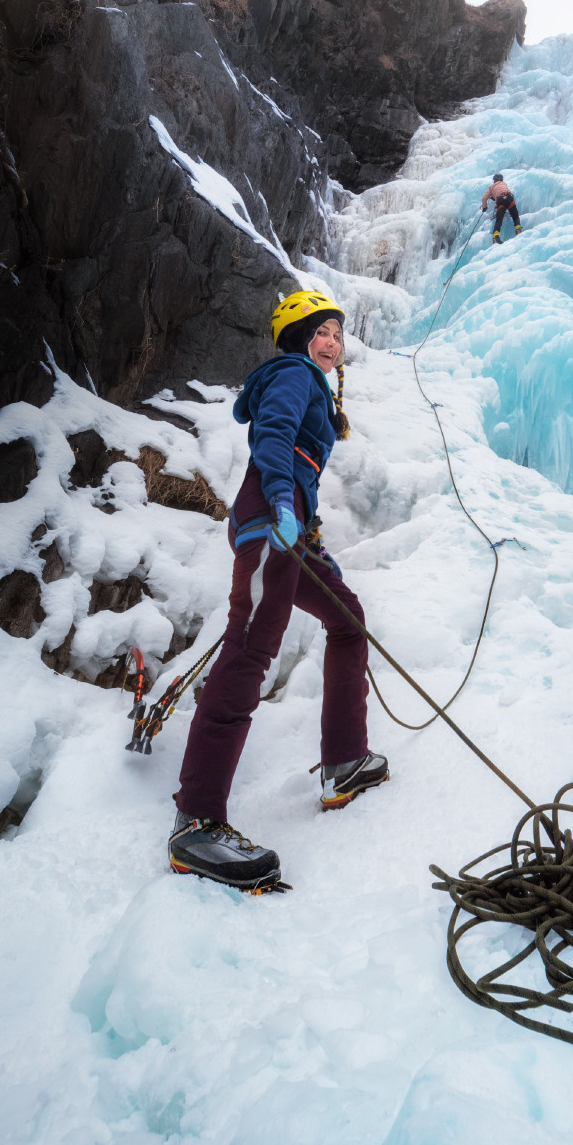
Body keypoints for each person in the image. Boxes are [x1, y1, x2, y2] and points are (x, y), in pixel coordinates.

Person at [168, 289, 388, 891]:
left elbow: (289, 455)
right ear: (297, 337)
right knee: (249, 650)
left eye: (339, 335)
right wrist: (287, 509)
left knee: (348, 619)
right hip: (271, 519)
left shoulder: (310, 382)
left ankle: (345, 761)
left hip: (288, 527)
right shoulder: (293, 375)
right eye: (322, 331)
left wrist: (310, 541)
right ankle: (198, 822)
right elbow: (273, 440)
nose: (333, 343)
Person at [481, 173, 522, 245]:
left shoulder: (491, 187)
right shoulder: (504, 184)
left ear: (494, 180)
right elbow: (503, 191)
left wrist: (484, 208)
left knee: (499, 220)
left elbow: (484, 198)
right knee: (515, 216)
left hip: (500, 200)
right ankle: (518, 229)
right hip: (509, 198)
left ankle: (496, 236)